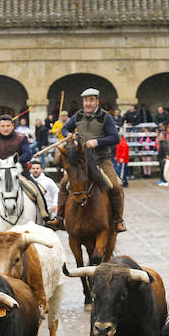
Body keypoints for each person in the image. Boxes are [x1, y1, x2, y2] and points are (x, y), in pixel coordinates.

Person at [54, 88, 124, 232]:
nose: (88, 103)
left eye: (91, 100)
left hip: (101, 159)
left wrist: (97, 142)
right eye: (86, 100)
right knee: (63, 184)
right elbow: (64, 129)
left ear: (97, 101)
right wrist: (69, 134)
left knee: (115, 187)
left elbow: (115, 138)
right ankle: (59, 218)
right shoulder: (77, 116)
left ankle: (118, 220)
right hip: (82, 161)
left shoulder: (105, 117)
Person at [0, 114, 51, 224]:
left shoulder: (21, 138)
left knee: (37, 192)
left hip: (21, 175)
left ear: (13, 126)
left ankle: (46, 217)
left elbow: (28, 154)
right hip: (2, 177)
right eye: (3, 126)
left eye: (8, 125)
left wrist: (15, 162)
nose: (5, 128)